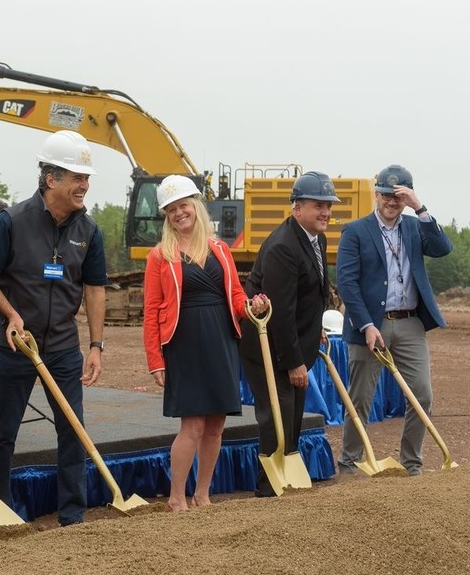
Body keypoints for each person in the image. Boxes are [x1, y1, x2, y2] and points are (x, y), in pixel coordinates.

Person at [0, 129, 107, 539]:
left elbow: (95, 288)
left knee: (72, 428)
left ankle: (72, 516)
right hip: (15, 345)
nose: (84, 185)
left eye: (86, 178)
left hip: (63, 348)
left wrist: (96, 345)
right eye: (76, 177)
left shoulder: (89, 231)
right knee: (3, 432)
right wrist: (11, 314)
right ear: (51, 179)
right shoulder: (10, 222)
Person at [142, 175, 264, 511]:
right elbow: (151, 311)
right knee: (192, 425)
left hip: (222, 340)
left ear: (195, 206)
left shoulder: (221, 250)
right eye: (171, 210)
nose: (178, 213)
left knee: (216, 425)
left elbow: (235, 295)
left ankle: (203, 495)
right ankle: (176, 497)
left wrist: (250, 307)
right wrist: (156, 360)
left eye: (183, 206)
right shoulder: (160, 256)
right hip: (184, 343)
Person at [335, 164, 453, 477]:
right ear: (376, 194)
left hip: (410, 323)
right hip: (370, 325)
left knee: (421, 395)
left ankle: (411, 464)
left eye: (399, 196)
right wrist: (365, 325)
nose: (391, 201)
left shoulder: (415, 227)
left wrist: (420, 207)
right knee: (360, 398)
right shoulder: (355, 232)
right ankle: (349, 464)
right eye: (387, 194)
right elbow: (346, 282)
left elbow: (443, 248)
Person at [239, 171, 340, 497]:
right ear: (297, 207)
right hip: (268, 346)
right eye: (317, 205)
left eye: (328, 205)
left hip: (288, 339)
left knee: (293, 412)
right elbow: (279, 311)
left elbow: (308, 295)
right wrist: (295, 361)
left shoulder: (315, 238)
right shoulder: (283, 247)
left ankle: (286, 481)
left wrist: (315, 329)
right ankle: (269, 489)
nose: (325, 212)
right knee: (277, 414)